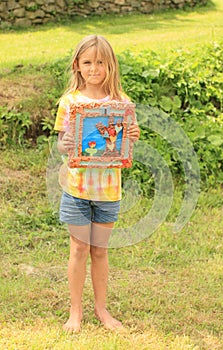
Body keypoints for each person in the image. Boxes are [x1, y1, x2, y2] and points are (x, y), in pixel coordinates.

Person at [54, 34, 140, 333]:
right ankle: (75, 310)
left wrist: (131, 136)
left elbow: (123, 144)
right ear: (77, 65)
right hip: (77, 189)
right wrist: (65, 144)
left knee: (100, 251)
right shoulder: (70, 102)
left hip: (108, 190)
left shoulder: (121, 103)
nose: (94, 68)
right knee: (79, 249)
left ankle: (101, 308)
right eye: (88, 62)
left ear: (110, 65)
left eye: (100, 62)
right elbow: (62, 146)